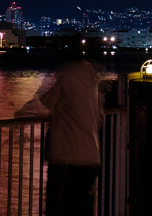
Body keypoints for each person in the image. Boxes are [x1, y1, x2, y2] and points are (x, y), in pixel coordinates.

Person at [38, 39, 107, 215]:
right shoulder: (91, 78)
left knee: (57, 208)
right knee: (81, 209)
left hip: (68, 157)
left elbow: (46, 99)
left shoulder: (67, 74)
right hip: (91, 157)